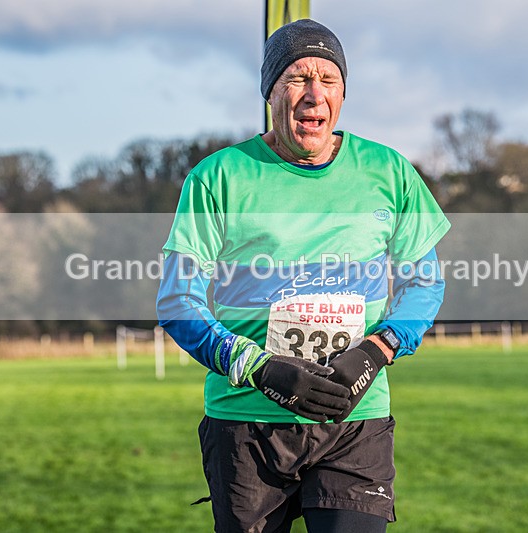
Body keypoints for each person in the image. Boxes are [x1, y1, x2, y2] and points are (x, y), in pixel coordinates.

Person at [157, 19, 450, 532]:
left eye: (329, 80)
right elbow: (178, 301)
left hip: (353, 420)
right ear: (271, 92)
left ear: (342, 94)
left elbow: (424, 283)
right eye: (297, 78)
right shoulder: (217, 177)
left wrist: (376, 351)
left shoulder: (389, 171)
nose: (314, 94)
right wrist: (259, 368)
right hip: (247, 424)